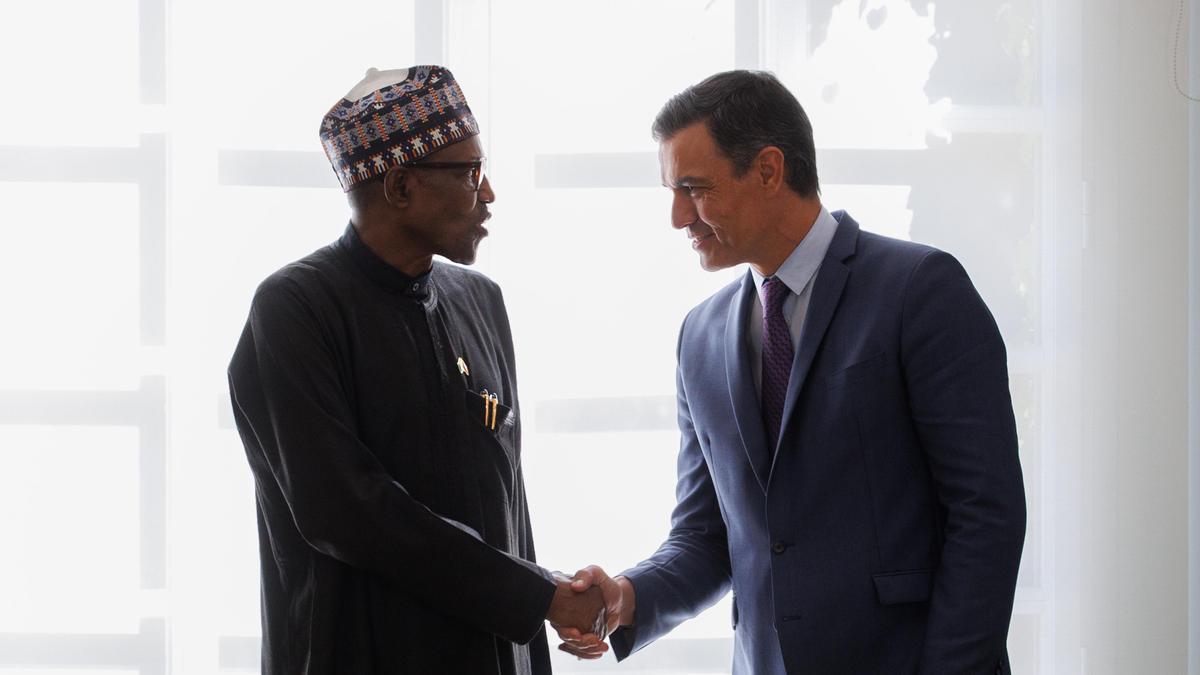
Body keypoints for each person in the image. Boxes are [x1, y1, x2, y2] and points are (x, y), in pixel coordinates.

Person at [557, 70, 1027, 674]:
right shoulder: (698, 338)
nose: (678, 217)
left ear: (769, 170)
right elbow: (709, 538)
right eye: (672, 192)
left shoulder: (920, 290)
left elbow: (986, 513)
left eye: (694, 188)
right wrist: (625, 597)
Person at [228, 65, 604, 675]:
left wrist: (545, 609)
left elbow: (509, 501)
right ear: (400, 186)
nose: (488, 195)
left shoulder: (480, 300)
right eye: (471, 173)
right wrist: (539, 594)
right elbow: (347, 511)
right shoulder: (296, 308)